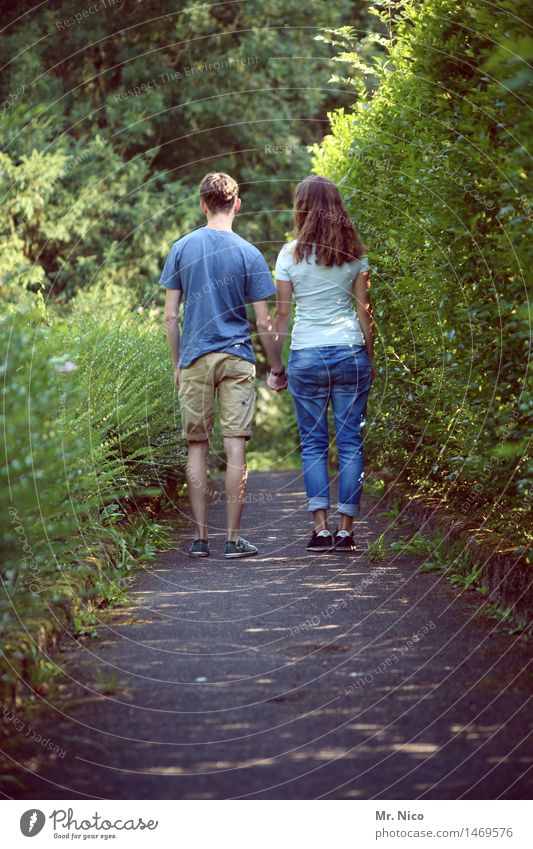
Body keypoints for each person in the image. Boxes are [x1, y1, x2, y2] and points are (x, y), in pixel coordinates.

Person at [160, 172, 284, 558]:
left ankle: (200, 539)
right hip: (237, 359)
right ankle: (232, 539)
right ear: (237, 205)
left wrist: (178, 362)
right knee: (235, 448)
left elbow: (169, 317)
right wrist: (276, 367)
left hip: (195, 357)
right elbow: (264, 322)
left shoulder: (181, 248)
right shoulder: (249, 253)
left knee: (196, 446)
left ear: (202, 204)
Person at [268, 175, 375, 552]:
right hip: (349, 353)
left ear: (301, 207)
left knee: (313, 444)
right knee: (350, 443)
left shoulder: (288, 254)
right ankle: (346, 531)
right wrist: (369, 358)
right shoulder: (355, 252)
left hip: (307, 356)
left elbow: (281, 317)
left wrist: (277, 367)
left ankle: (320, 529)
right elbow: (365, 313)